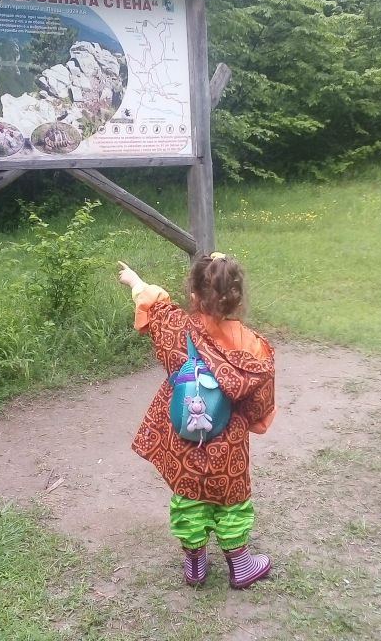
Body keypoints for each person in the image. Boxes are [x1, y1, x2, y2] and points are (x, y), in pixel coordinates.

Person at [118, 252, 276, 589]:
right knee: (232, 498)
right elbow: (260, 402)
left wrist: (134, 280)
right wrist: (254, 421)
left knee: (188, 494)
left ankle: (195, 565)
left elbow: (155, 305)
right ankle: (241, 566)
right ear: (237, 299)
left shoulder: (176, 329)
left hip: (183, 439)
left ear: (193, 296)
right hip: (229, 443)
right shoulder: (253, 346)